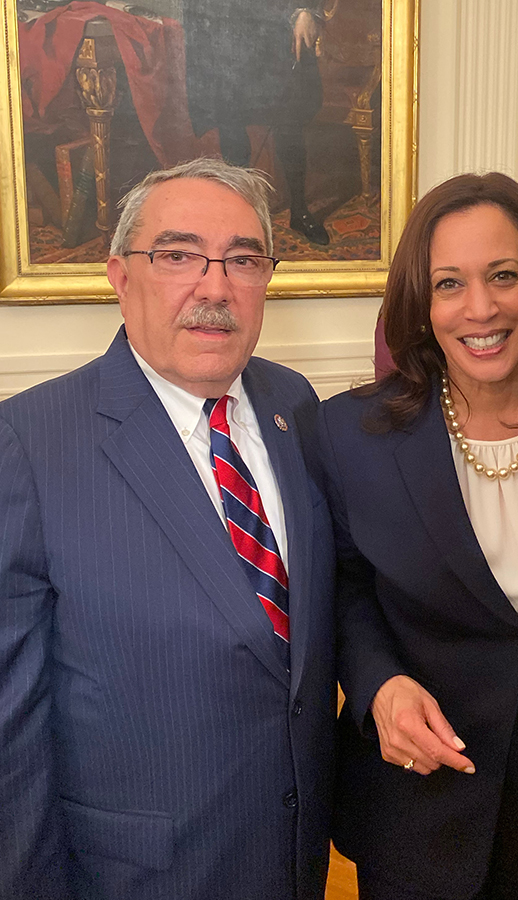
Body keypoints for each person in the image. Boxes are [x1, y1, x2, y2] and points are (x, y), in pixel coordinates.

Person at [0, 158, 335, 900]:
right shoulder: (27, 443)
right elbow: (11, 741)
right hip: (140, 875)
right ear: (120, 276)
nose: (215, 287)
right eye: (178, 255)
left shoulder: (295, 404)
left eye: (243, 259)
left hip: (293, 857)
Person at [319, 172, 518, 900]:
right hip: (417, 792)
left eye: (503, 276)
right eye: (449, 284)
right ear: (422, 304)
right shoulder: (353, 433)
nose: (481, 307)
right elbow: (344, 584)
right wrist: (377, 685)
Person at [183, 1, 330, 245]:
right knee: (231, 118)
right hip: (227, 31)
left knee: (289, 120)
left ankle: (299, 210)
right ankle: (239, 210)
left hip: (277, 32)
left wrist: (306, 11)